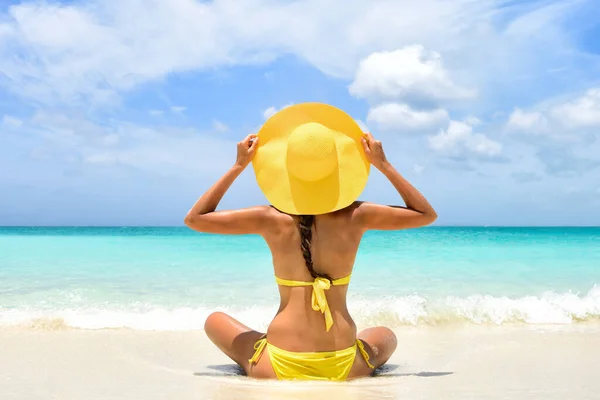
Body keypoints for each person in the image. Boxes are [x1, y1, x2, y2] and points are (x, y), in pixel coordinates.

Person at [184, 103, 437, 381]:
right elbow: (425, 214)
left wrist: (238, 165)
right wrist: (383, 165)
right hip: (343, 365)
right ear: (339, 168)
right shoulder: (358, 215)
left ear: (285, 171)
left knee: (214, 321)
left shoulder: (268, 218)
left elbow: (195, 219)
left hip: (278, 364)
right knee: (385, 336)